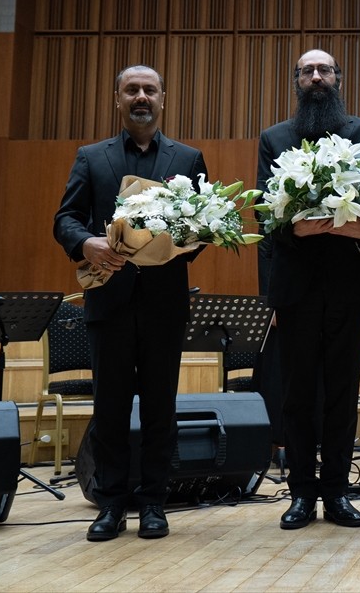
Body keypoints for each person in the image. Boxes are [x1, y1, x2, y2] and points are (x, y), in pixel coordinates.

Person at [54, 65, 208, 542]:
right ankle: (111, 503)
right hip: (109, 304)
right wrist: (87, 244)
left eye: (150, 90)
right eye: (131, 90)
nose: (141, 97)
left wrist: (180, 242)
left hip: (164, 304)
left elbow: (203, 227)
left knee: (161, 407)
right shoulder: (91, 157)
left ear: (163, 98)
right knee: (111, 407)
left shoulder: (188, 157)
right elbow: (66, 219)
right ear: (117, 99)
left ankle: (155, 504)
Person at [257, 49, 360, 530]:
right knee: (296, 395)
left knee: (340, 394)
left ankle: (336, 492)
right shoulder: (275, 139)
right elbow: (263, 217)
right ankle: (300, 496)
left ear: (339, 79)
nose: (317, 77)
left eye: (325, 70)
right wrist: (297, 230)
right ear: (296, 80)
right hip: (294, 291)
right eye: (307, 71)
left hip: (349, 288)